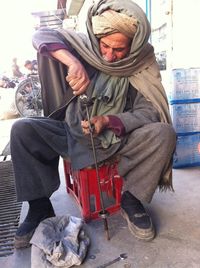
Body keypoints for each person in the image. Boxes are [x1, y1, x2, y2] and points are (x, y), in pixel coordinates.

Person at [10, 0, 176, 249]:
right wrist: (73, 62)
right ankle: (39, 206)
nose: (109, 55)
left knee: (164, 133)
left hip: (118, 139)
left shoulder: (142, 63)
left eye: (119, 49)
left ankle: (132, 200)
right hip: (71, 133)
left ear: (134, 44)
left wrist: (110, 120)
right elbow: (41, 35)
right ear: (96, 36)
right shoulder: (83, 47)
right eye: (105, 45)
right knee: (22, 130)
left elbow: (149, 110)